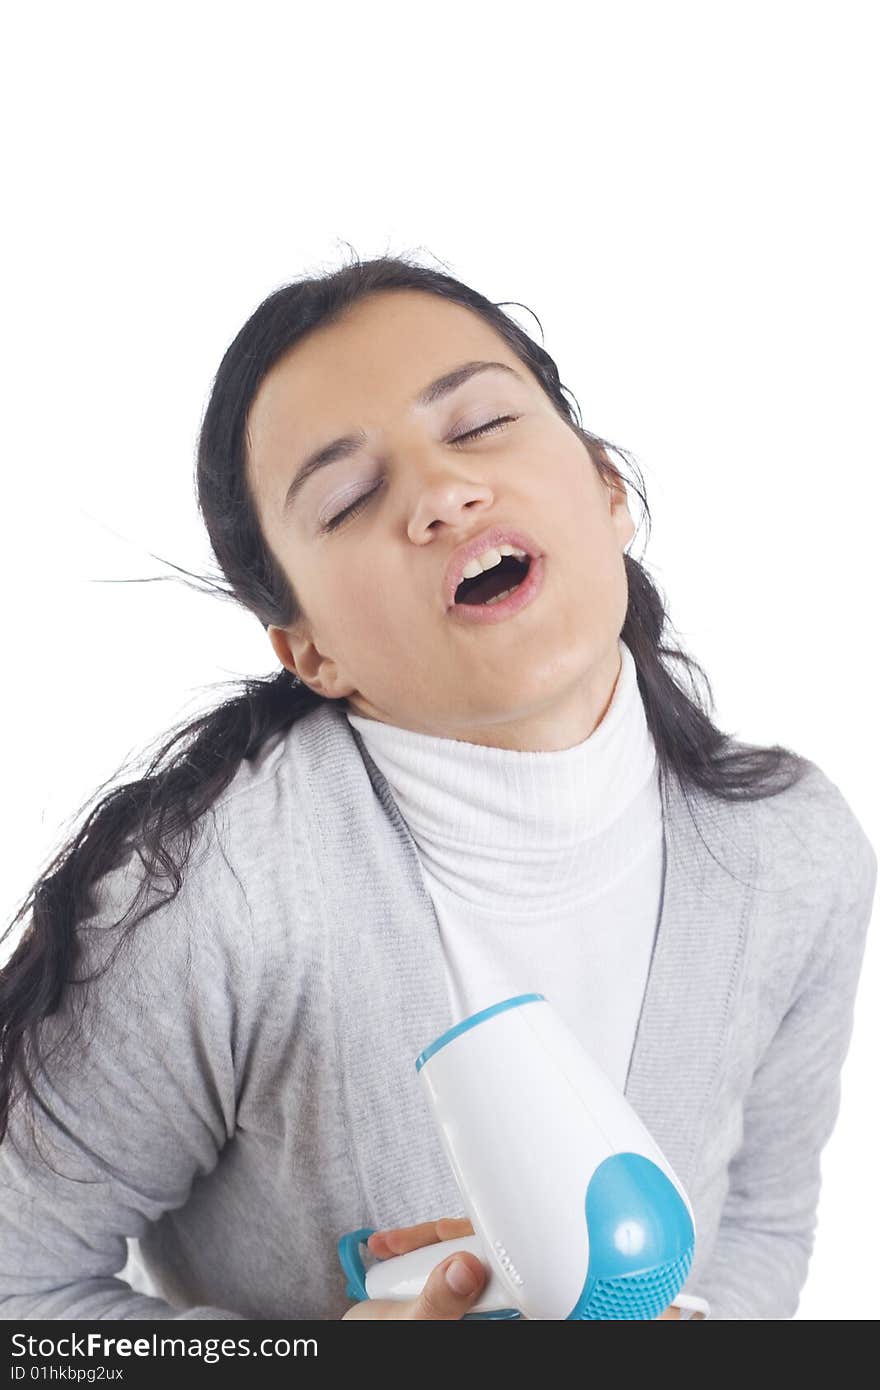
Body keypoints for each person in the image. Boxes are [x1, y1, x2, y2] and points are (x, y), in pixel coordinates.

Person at [0, 253, 875, 1321]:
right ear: (308, 648)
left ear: (605, 486)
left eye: (478, 426)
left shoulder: (794, 852)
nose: (442, 493)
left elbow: (761, 1220)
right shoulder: (209, 910)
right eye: (351, 493)